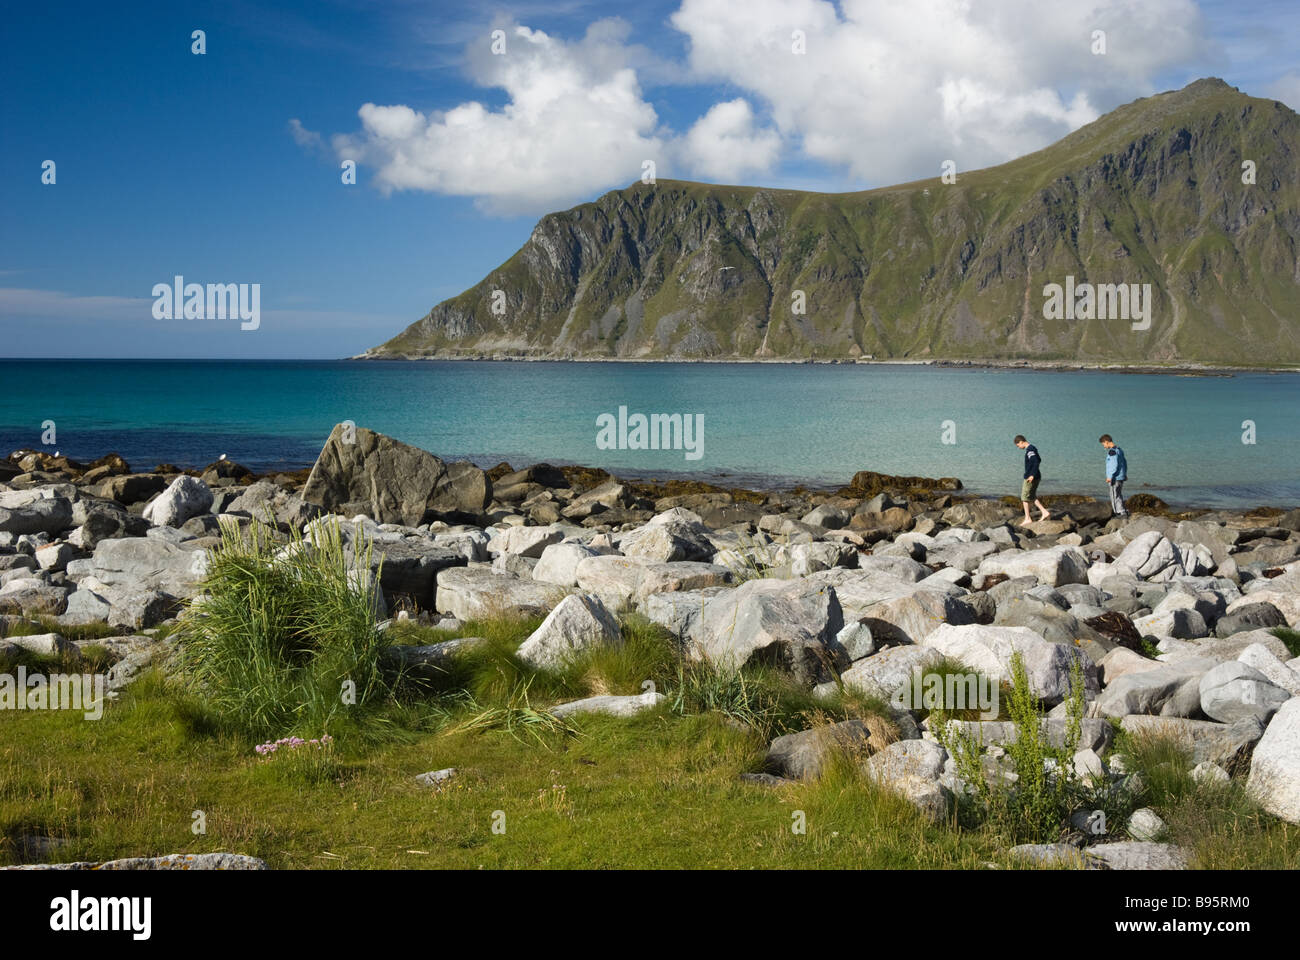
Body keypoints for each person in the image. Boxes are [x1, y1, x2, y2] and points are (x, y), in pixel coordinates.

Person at [1014, 435, 1049, 526]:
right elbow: (1039, 459)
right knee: (1032, 496)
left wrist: (1032, 474)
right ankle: (1044, 512)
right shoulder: (1032, 448)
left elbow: (1036, 462)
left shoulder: (1030, 450)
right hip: (1036, 476)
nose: (1019, 448)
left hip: (1031, 477)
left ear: (1021, 442)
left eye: (1018, 446)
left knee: (1024, 497)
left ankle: (1027, 518)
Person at [1099, 434, 1128, 517]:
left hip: (1114, 478)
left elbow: (1113, 465)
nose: (1104, 446)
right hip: (1121, 477)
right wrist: (1124, 474)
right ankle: (1122, 511)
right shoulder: (1119, 450)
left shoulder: (1112, 451)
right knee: (1118, 494)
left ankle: (1117, 513)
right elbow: (1124, 463)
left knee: (1114, 495)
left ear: (1106, 442)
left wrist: (1110, 477)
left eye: (1103, 444)